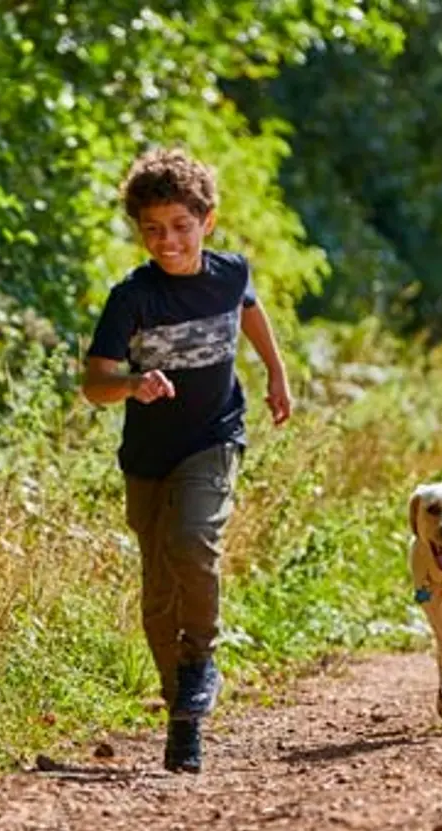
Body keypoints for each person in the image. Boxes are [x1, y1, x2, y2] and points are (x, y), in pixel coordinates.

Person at [80, 147, 293, 774]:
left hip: (214, 436)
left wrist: (277, 373)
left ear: (208, 221)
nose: (167, 241)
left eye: (180, 226)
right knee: (157, 599)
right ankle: (183, 720)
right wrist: (132, 384)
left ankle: (201, 659)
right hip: (148, 457)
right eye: (152, 229)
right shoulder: (132, 298)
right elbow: (94, 384)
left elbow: (249, 309)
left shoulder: (230, 273)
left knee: (193, 541)